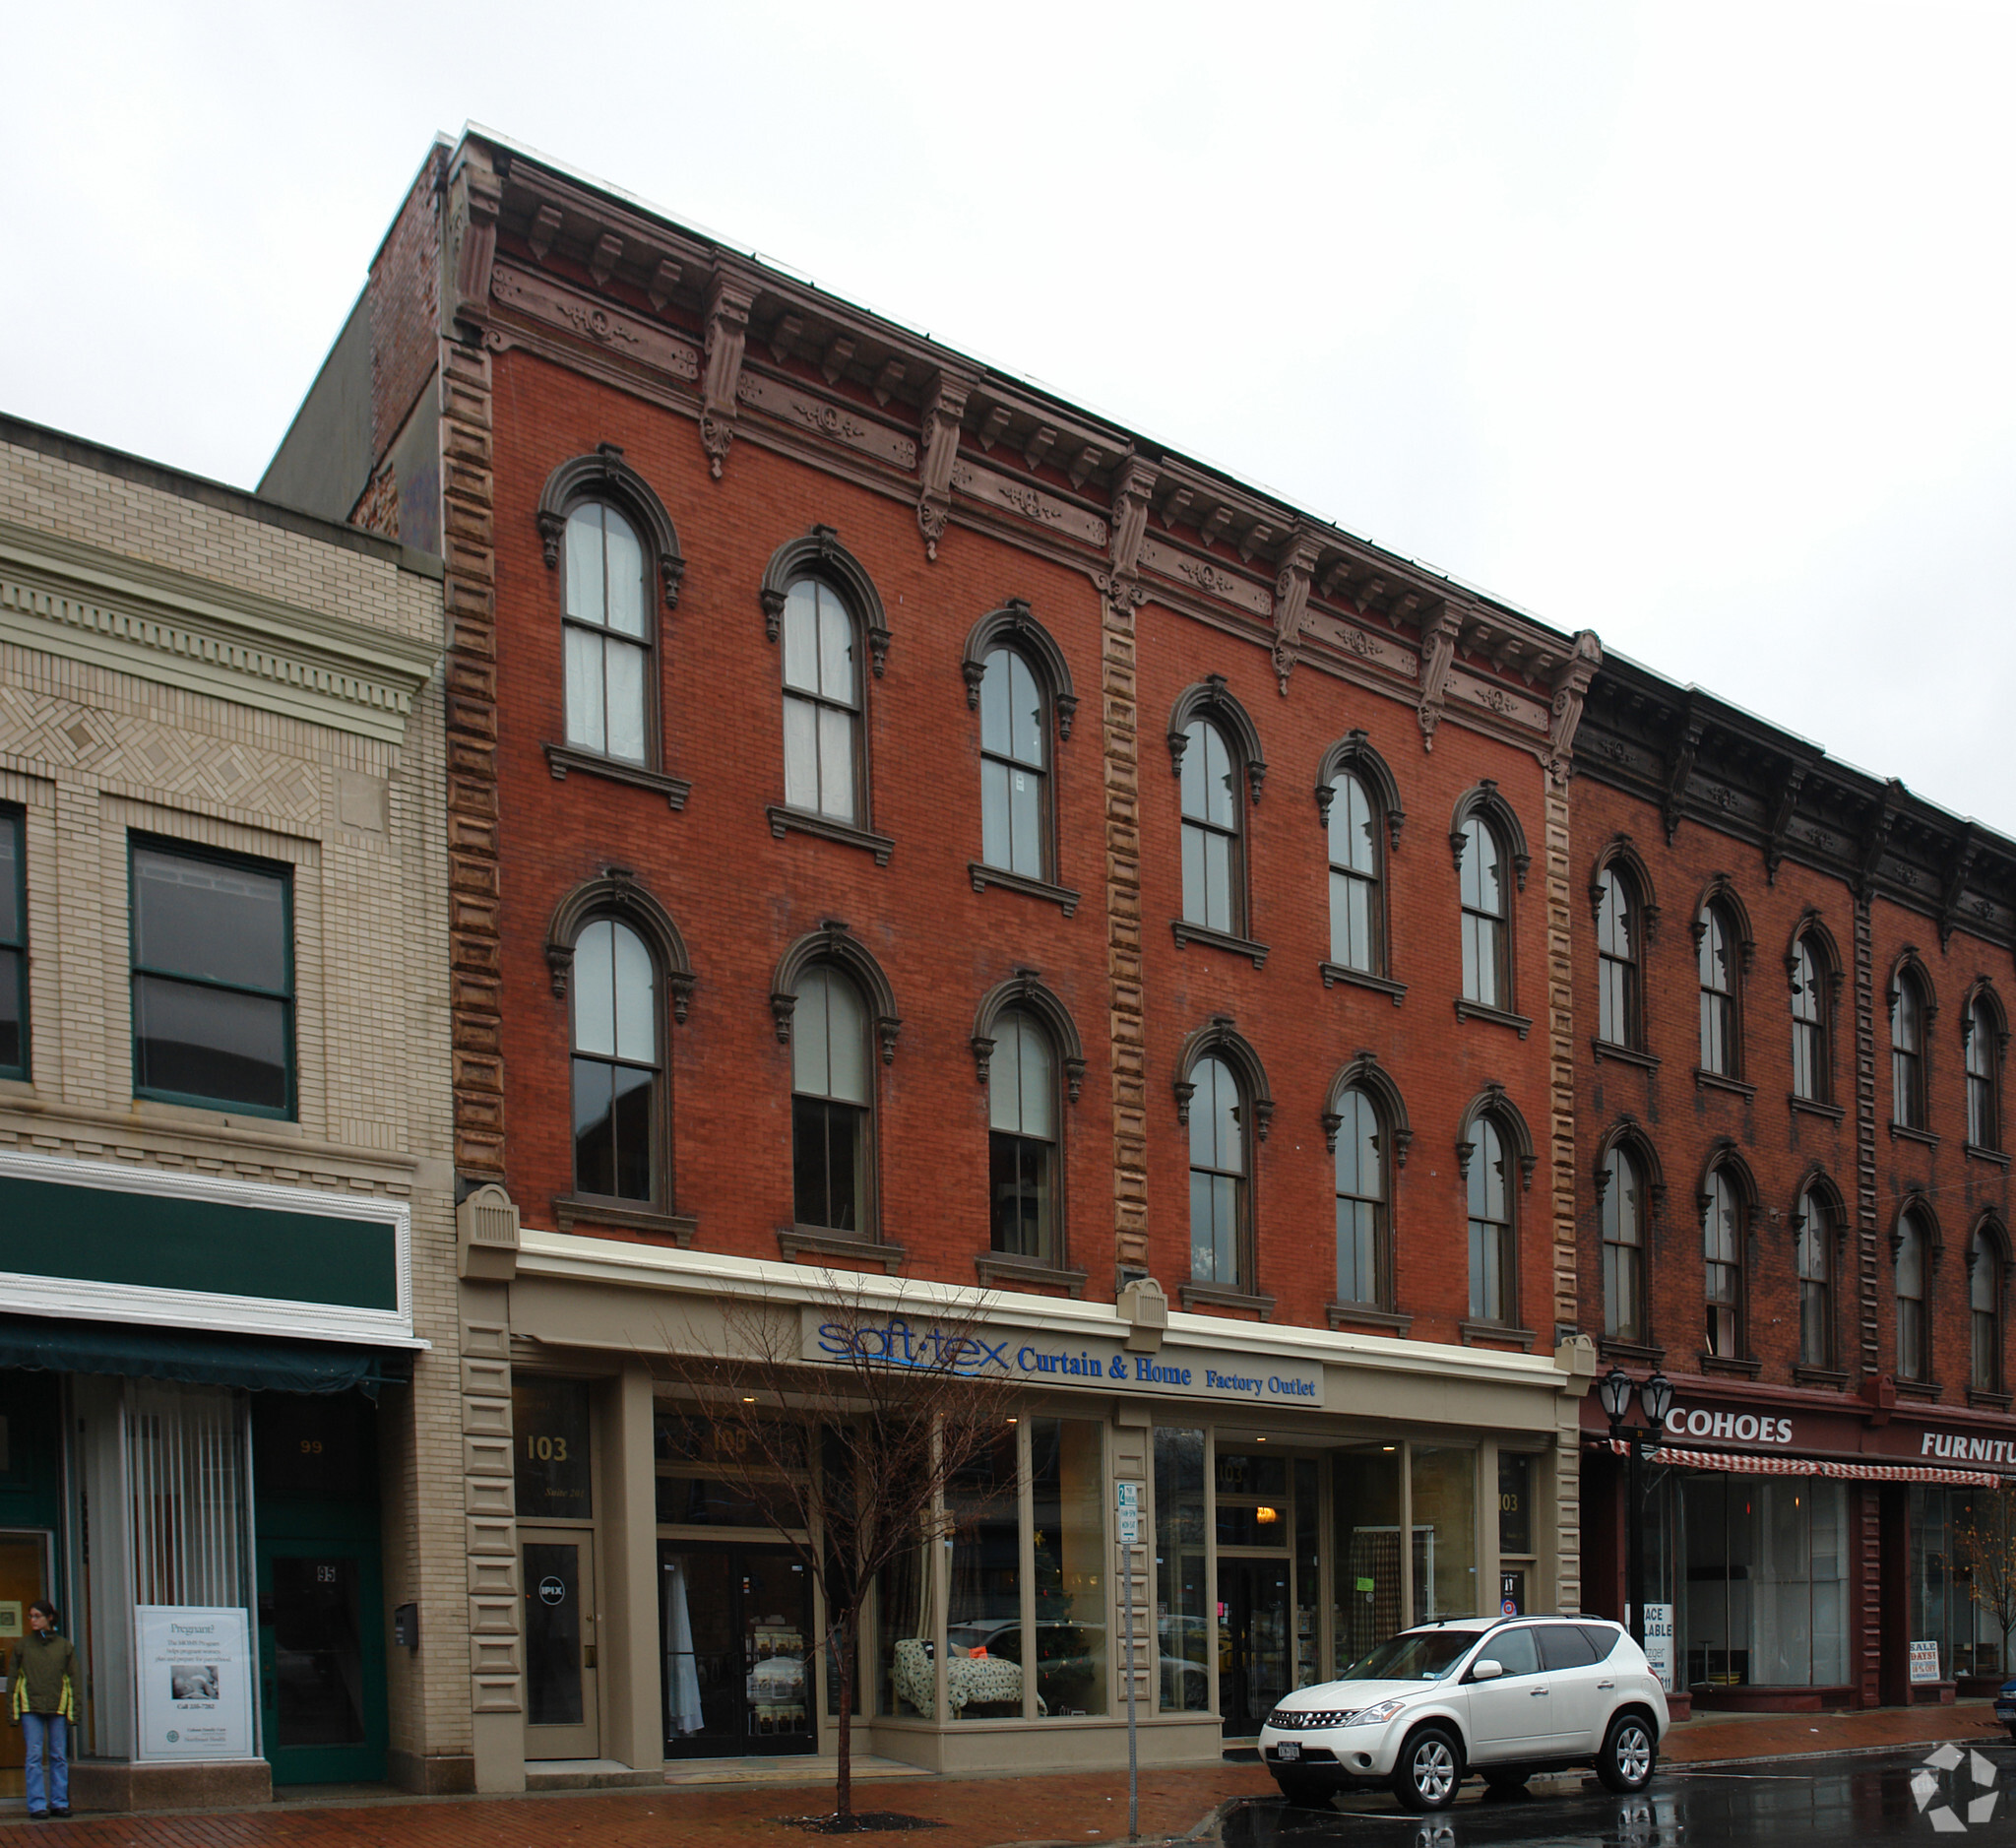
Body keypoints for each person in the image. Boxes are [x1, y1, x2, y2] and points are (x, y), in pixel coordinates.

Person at [10, 1599, 77, 1819]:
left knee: (58, 1756)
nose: (33, 1620)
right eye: (30, 1616)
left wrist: (74, 1711)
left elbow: (72, 1680)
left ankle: (59, 1803)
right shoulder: (23, 1646)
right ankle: (37, 1805)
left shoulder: (64, 1646)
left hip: (57, 1707)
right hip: (31, 1708)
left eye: (37, 1616)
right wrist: (13, 1711)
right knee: (33, 1757)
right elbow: (13, 1681)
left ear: (49, 1618)